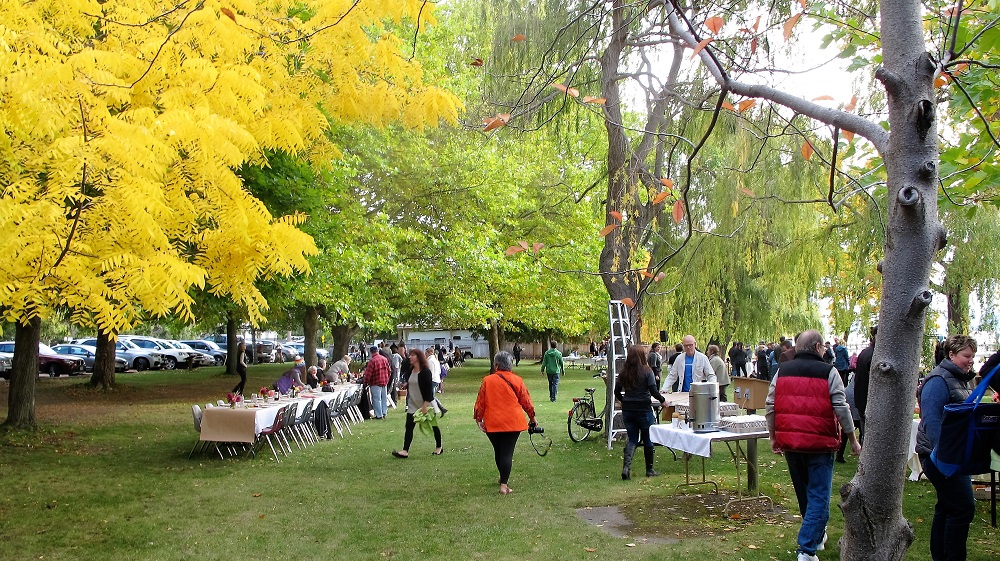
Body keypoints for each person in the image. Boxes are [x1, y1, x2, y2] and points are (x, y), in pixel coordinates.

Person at [766, 330, 860, 561]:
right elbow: (841, 407)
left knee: (806, 496)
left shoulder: (782, 371)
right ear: (818, 347)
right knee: (818, 497)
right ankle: (806, 550)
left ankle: (815, 537)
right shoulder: (829, 371)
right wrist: (853, 439)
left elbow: (770, 405)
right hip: (820, 443)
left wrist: (773, 436)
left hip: (792, 443)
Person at [915, 335, 980, 561]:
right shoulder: (938, 381)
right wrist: (943, 457)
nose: (971, 360)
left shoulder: (960, 379)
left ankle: (942, 556)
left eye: (973, 356)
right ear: (951, 354)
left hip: (954, 455)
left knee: (947, 506)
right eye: (966, 356)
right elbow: (932, 422)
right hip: (941, 457)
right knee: (962, 507)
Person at [474, 351, 537, 495]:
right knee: (507, 452)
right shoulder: (517, 380)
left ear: (496, 365)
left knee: (499, 451)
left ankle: (503, 477)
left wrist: (479, 419)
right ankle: (504, 485)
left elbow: (480, 402)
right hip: (513, 423)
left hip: (492, 422)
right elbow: (526, 401)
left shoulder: (487, 381)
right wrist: (532, 418)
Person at [615, 345, 666, 480]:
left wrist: (624, 401)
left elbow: (616, 391)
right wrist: (662, 400)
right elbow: (653, 391)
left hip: (628, 410)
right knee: (648, 439)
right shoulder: (647, 371)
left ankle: (626, 467)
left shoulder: (624, 372)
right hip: (644, 409)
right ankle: (649, 469)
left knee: (632, 439)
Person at [392, 348, 442, 458]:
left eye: (412, 355)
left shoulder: (425, 372)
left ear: (418, 358)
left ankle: (439, 447)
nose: (410, 357)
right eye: (410, 355)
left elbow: (429, 391)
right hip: (413, 403)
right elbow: (413, 381)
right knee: (409, 426)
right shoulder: (411, 370)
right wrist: (407, 385)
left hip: (426, 403)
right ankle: (405, 451)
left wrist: (425, 405)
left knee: (433, 425)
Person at [852, 326, 876, 444]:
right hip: (869, 401)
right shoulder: (874, 355)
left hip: (862, 399)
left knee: (865, 434)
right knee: (870, 437)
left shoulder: (865, 352)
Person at [363, 345, 391, 420]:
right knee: (384, 398)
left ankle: (379, 415)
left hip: (375, 382)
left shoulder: (372, 361)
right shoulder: (384, 359)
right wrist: (387, 379)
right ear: (377, 351)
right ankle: (384, 412)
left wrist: (365, 382)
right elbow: (389, 370)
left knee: (376, 399)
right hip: (384, 381)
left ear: (371, 352)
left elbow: (368, 373)